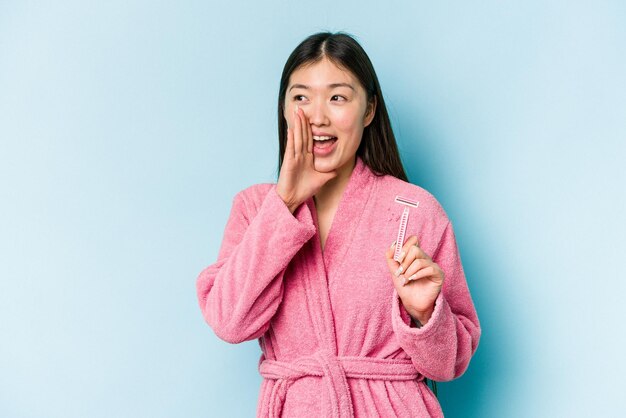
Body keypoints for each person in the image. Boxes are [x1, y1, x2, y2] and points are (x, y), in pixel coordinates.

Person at [196, 32, 481, 417]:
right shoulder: (255, 208)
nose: (317, 116)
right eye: (301, 97)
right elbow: (230, 322)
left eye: (337, 97)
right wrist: (286, 202)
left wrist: (425, 314)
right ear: (283, 109)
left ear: (368, 110)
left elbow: (449, 363)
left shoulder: (414, 210)